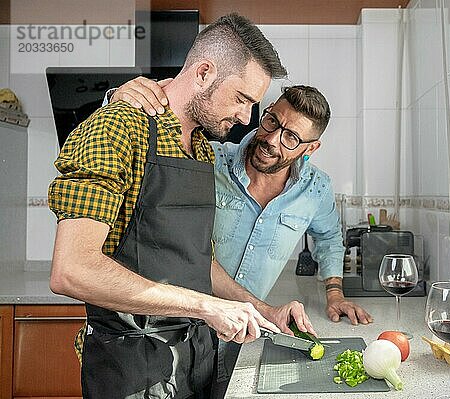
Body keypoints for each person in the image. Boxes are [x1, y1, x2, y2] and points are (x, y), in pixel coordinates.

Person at [48, 14, 315, 399]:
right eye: (242, 99)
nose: (246, 118)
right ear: (204, 72)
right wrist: (205, 306)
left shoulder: (203, 149)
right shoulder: (119, 127)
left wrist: (264, 310)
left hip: (193, 358)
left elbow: (197, 262)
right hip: (132, 367)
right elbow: (73, 270)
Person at [106, 80, 374, 392]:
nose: (271, 139)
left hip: (244, 330)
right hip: (179, 325)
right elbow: (148, 148)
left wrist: (334, 294)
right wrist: (116, 99)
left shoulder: (316, 188)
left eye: (291, 137)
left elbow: (329, 239)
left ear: (310, 148)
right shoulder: (209, 159)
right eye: (272, 121)